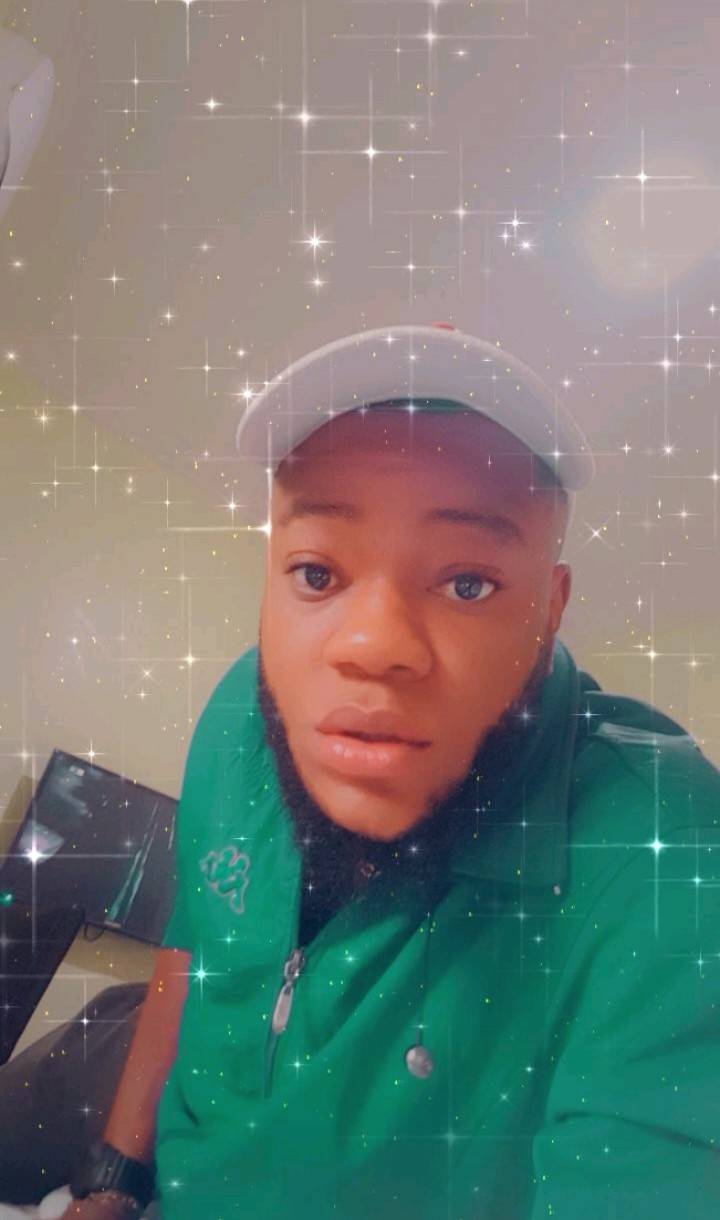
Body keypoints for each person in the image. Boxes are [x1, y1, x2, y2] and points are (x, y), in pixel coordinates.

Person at [60, 324, 720, 1220]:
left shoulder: (665, 851)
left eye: (467, 585)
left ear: (550, 610)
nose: (373, 646)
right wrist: (113, 1181)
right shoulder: (238, 713)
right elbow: (193, 943)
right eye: (316, 572)